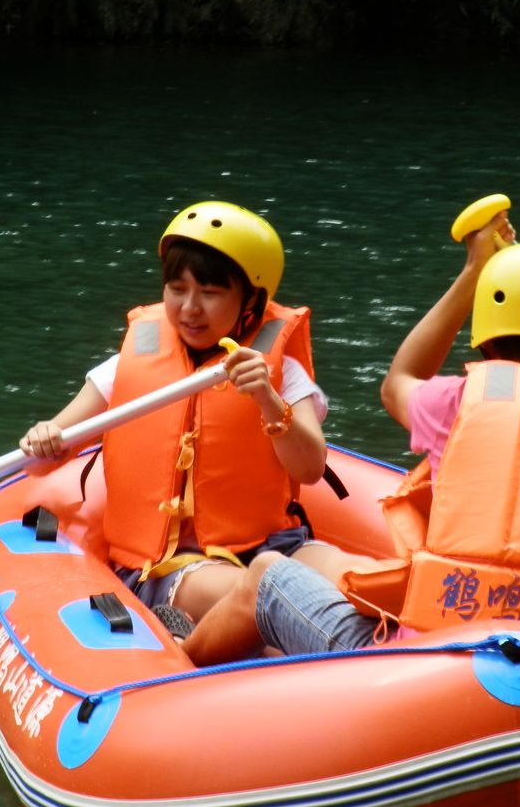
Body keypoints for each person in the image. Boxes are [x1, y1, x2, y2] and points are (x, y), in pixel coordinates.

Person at [181, 208, 520, 665]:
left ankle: (173, 665)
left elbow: (397, 382)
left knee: (269, 572)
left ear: (485, 340)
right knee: (315, 557)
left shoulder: (459, 401)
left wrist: (470, 275)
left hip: (441, 658)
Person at [19, 200, 341, 625]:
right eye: (177, 289)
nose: (189, 308)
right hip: (169, 566)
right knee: (266, 589)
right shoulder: (128, 366)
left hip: (275, 544)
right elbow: (41, 464)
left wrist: (267, 399)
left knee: (354, 579)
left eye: (209, 293)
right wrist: (43, 437)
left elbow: (309, 468)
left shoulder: (280, 373)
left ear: (251, 300)